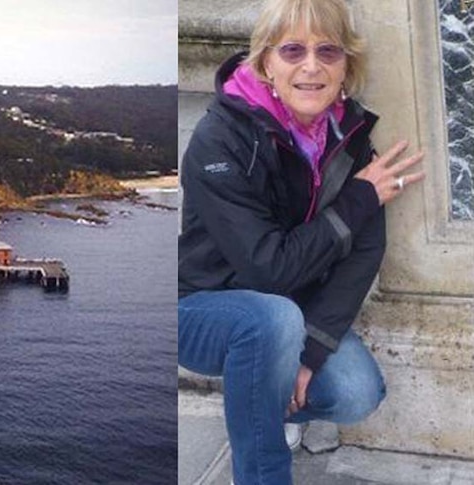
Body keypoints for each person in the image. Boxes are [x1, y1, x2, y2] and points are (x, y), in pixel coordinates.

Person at [177, 0, 426, 483]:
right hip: (201, 308)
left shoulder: (349, 138)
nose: (311, 66)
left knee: (357, 392)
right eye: (292, 50)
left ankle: (259, 408)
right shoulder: (219, 139)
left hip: (290, 310)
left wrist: (309, 356)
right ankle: (261, 462)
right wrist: (359, 198)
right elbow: (268, 269)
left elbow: (365, 254)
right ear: (266, 62)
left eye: (328, 51)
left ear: (346, 66)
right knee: (271, 318)